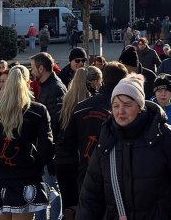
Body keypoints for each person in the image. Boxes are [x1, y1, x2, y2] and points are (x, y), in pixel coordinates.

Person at [76, 74, 171, 220]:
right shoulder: (107, 140)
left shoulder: (165, 137)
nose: (120, 111)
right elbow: (90, 196)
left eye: (127, 105)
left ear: (140, 107)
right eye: (115, 106)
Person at [0, 65, 54, 219]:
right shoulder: (38, 111)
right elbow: (46, 150)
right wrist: (36, 164)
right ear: (27, 84)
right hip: (26, 175)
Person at [56, 62, 128, 205]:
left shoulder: (81, 107)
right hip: (115, 174)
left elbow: (67, 142)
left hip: (86, 171)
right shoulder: (124, 109)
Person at [30, 53, 67, 220]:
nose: (32, 72)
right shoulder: (48, 86)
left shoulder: (54, 88)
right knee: (45, 188)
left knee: (52, 189)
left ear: (41, 68)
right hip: (45, 148)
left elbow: (56, 123)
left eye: (32, 68)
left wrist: (49, 150)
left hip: (50, 150)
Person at [56, 67, 93, 212]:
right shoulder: (89, 100)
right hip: (81, 155)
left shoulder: (67, 98)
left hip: (65, 156)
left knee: (68, 203)